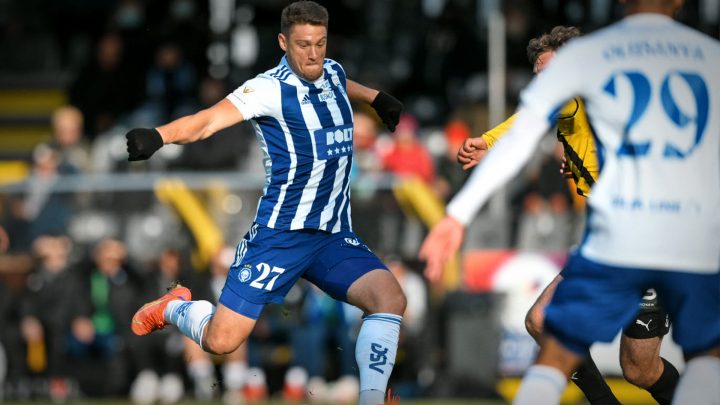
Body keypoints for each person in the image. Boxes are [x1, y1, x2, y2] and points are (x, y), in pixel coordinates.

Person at [419, 0, 719, 404]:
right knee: (562, 332)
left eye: (554, 74)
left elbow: (530, 124)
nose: (547, 84)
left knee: (635, 367)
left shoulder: (583, 91)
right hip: (619, 237)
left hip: (656, 240)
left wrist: (486, 148)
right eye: (541, 76)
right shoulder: (619, 95)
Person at [126, 2, 405, 405]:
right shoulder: (267, 88)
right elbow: (206, 121)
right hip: (280, 236)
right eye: (303, 45)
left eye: (321, 44)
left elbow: (341, 81)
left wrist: (376, 98)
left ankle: (372, 399)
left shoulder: (331, 70)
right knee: (221, 341)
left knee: (389, 298)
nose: (313, 54)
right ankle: (175, 307)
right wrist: (158, 135)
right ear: (282, 42)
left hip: (331, 235)